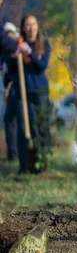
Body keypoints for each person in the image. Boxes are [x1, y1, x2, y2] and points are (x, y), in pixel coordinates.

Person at [5, 15, 51, 173]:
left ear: (37, 27)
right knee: (23, 128)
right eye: (27, 25)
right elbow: (10, 70)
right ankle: (24, 166)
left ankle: (41, 163)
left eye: (34, 24)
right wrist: (14, 54)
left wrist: (29, 52)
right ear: (23, 28)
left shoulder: (43, 44)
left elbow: (42, 65)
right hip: (22, 93)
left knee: (41, 127)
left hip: (39, 91)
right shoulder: (17, 45)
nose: (31, 28)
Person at [2, 22, 19, 161]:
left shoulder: (18, 48)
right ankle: (12, 154)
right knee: (9, 121)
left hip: (22, 90)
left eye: (11, 34)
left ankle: (18, 154)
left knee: (17, 121)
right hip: (11, 89)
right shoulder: (5, 53)